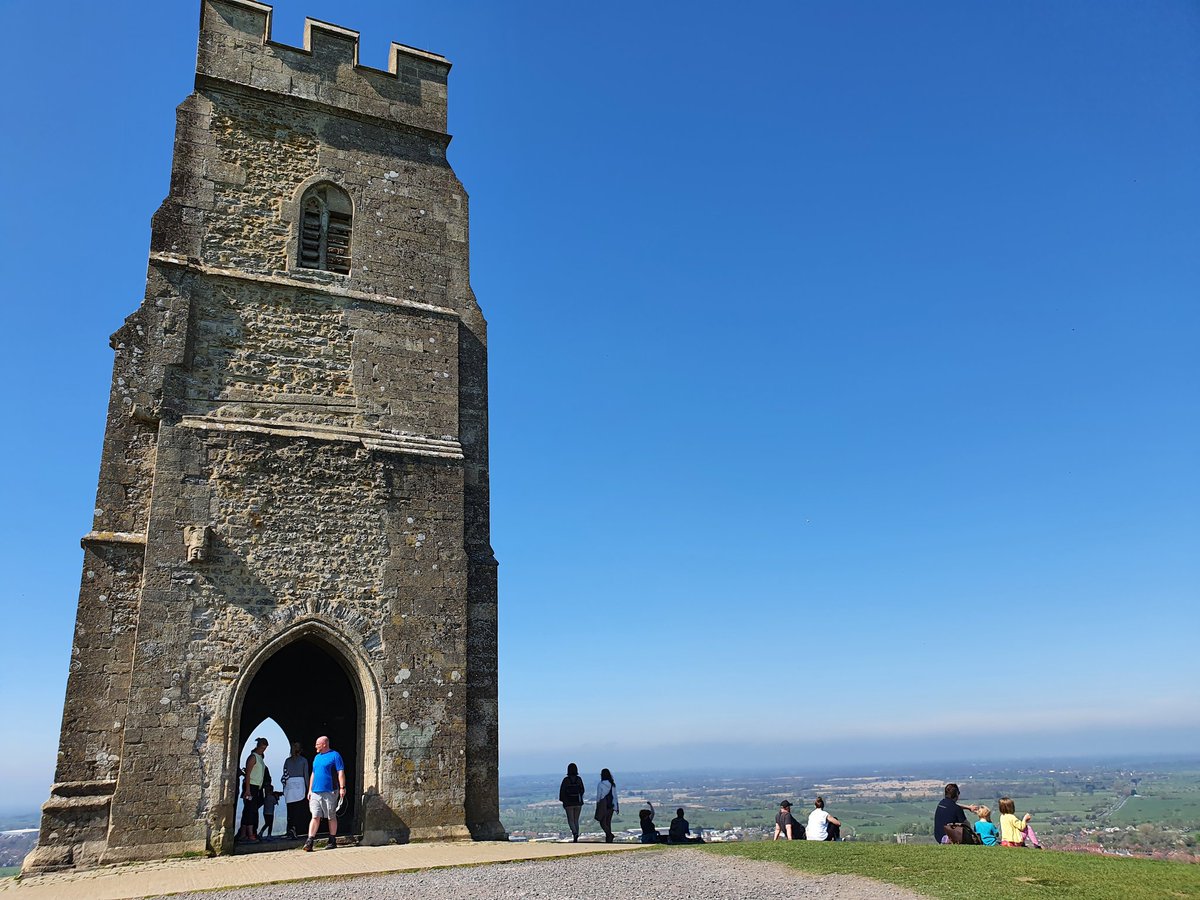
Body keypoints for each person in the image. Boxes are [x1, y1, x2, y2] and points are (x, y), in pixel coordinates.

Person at [304, 735, 345, 852]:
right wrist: (310, 790)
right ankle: (309, 841)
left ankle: (332, 840)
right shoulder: (316, 757)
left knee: (331, 816)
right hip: (316, 791)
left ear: (324, 744)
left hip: (330, 791)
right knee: (315, 815)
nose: (315, 746)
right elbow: (313, 773)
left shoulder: (335, 755)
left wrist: (342, 787)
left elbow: (340, 772)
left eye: (317, 744)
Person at [240, 737, 268, 842]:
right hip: (251, 786)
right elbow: (248, 774)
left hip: (256, 787)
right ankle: (250, 834)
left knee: (248, 810)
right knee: (251, 810)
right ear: (258, 746)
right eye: (262, 748)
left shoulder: (260, 757)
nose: (263, 750)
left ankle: (244, 834)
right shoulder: (253, 757)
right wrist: (247, 790)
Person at [282, 741, 311, 840]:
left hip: (290, 786)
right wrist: (308, 788)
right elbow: (306, 775)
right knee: (299, 809)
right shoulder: (303, 760)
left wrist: (284, 788)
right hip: (300, 785)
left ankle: (289, 829)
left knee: (290, 809)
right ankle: (295, 829)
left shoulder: (287, 761)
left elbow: (285, 775)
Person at [559, 762, 586, 842]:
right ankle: (576, 834)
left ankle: (574, 833)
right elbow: (582, 790)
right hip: (578, 802)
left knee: (570, 820)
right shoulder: (579, 779)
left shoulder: (566, 780)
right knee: (576, 820)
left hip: (568, 803)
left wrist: (563, 800)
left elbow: (562, 791)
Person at [594, 768, 618, 843]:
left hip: (603, 805)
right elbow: (615, 796)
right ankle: (609, 838)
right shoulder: (612, 784)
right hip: (611, 805)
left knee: (602, 822)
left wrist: (598, 804)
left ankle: (609, 834)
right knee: (608, 822)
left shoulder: (601, 784)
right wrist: (616, 807)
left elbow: (599, 796)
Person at [259, 776, 279, 841]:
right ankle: (268, 835)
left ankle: (261, 832)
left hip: (265, 812)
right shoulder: (271, 797)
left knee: (267, 823)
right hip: (270, 812)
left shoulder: (265, 798)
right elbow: (275, 803)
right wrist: (276, 797)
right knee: (270, 824)